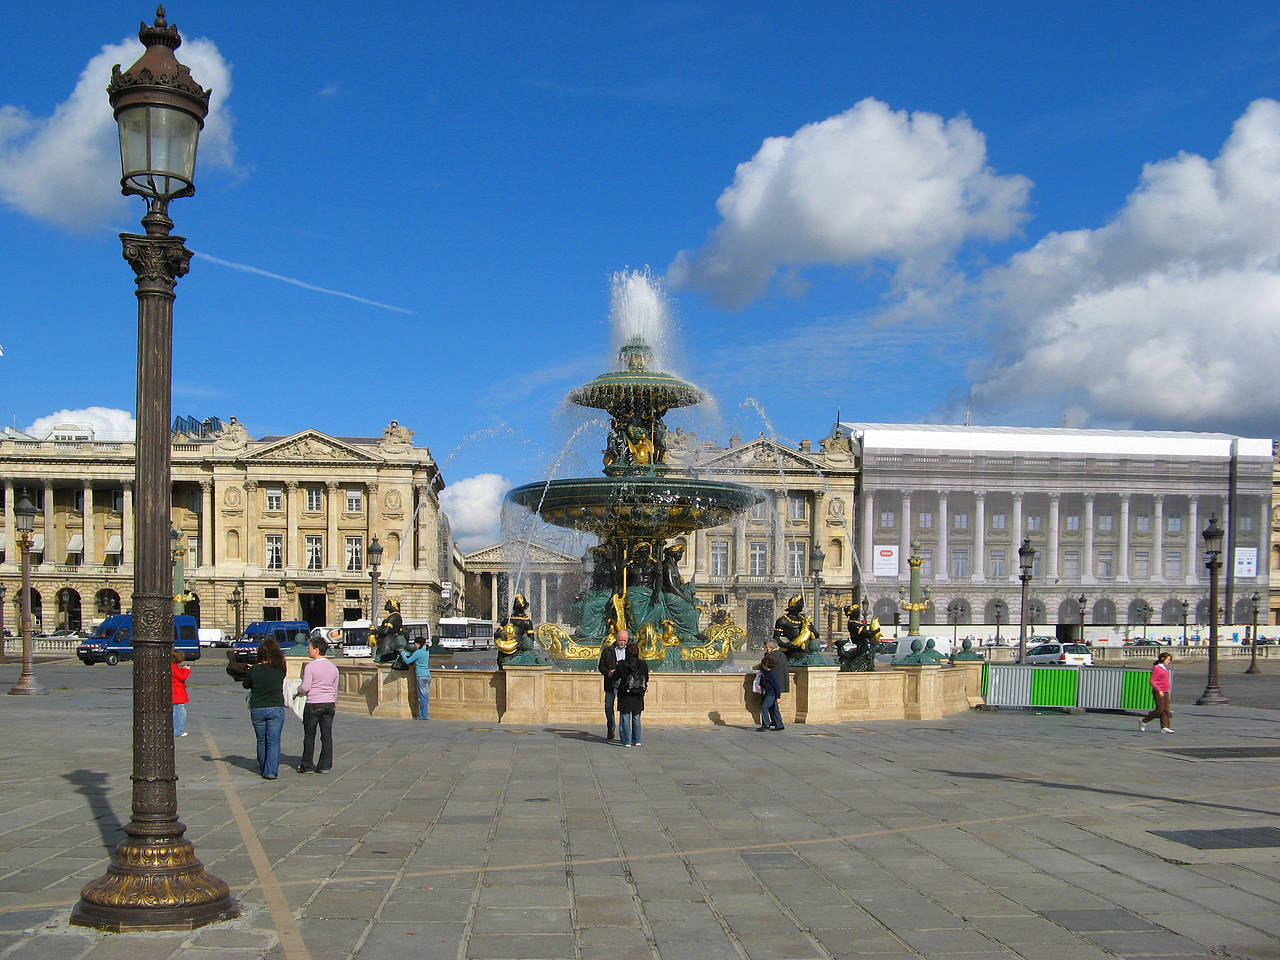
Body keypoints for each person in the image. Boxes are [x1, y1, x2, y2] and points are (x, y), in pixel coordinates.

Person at [243, 636, 287, 779]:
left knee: (261, 740)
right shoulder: (280, 669)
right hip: (276, 707)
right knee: (274, 740)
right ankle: (271, 771)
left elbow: (246, 685)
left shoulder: (255, 669)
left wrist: (252, 670)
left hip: (258, 707)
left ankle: (263, 767)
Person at [297, 637, 339, 773]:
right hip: (329, 703)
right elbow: (335, 689)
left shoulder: (310, 667)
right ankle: (325, 765)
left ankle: (307, 765)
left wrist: (298, 689)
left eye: (309, 648)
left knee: (309, 736)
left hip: (314, 703)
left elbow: (306, 687)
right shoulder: (333, 668)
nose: (307, 650)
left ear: (316, 650)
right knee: (326, 735)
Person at [615, 641, 649, 747]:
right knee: (636, 717)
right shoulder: (643, 664)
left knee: (625, 716)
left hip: (626, 693)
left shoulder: (622, 664)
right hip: (638, 694)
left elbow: (616, 677)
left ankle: (627, 740)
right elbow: (646, 678)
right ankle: (637, 739)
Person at [597, 629, 629, 741]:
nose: (622, 642)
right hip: (611, 683)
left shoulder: (630, 651)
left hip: (624, 683)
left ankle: (622, 733)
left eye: (625, 640)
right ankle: (611, 726)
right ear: (616, 638)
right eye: (621, 640)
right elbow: (601, 666)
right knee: (608, 706)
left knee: (623, 708)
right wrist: (608, 672)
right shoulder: (608, 651)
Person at [1140, 651, 1174, 733]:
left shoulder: (1165, 668)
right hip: (1158, 691)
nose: (1169, 661)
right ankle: (1144, 721)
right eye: (1168, 659)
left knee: (1166, 710)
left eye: (1170, 660)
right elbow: (1152, 680)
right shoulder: (1157, 668)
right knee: (1159, 709)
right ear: (1162, 658)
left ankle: (1165, 727)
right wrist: (1159, 690)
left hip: (1165, 690)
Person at [401, 634, 432, 720]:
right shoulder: (426, 650)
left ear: (418, 644)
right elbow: (415, 655)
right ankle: (425, 714)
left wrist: (402, 654)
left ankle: (423, 716)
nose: (414, 645)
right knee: (425, 696)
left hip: (420, 676)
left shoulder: (418, 652)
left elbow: (408, 661)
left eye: (415, 644)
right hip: (427, 675)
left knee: (421, 697)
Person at [757, 653, 784, 731]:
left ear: (766, 665)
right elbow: (766, 682)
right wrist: (761, 685)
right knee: (774, 709)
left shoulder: (772, 674)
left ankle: (766, 724)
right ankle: (779, 725)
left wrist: (778, 697)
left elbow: (777, 686)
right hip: (771, 693)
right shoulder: (768, 673)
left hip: (771, 694)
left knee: (764, 707)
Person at [171, 649, 191, 738]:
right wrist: (186, 670)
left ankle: (177, 730)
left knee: (177, 711)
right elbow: (181, 677)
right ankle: (178, 731)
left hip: (175, 691)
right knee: (180, 712)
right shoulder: (173, 666)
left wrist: (182, 669)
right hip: (177, 691)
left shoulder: (172, 666)